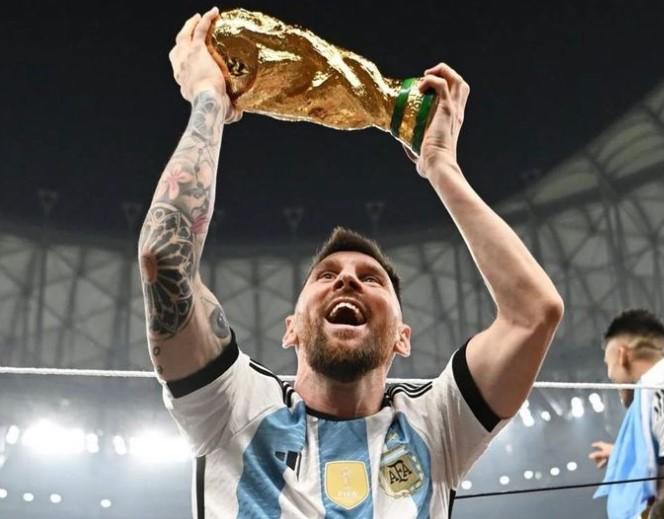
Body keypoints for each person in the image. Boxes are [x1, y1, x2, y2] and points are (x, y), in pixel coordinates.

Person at [137, 7, 564, 518]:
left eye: (371, 279)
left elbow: (534, 314)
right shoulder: (232, 407)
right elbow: (165, 258)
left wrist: (441, 167)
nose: (347, 281)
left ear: (403, 337)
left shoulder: (436, 426)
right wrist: (209, 97)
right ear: (291, 329)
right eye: (326, 275)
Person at [590, 309, 664, 519]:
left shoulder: (658, 382)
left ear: (622, 355)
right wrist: (622, 453)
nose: (609, 374)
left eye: (608, 363)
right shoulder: (651, 390)